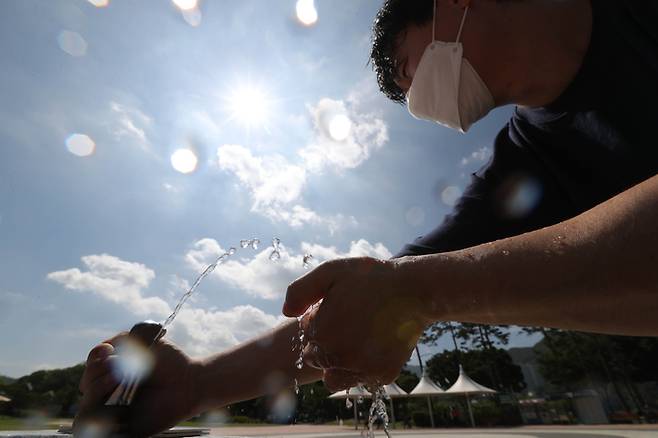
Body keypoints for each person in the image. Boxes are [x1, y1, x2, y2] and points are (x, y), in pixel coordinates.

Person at [76, 0, 658, 436]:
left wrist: (424, 291)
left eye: (411, 67)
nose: (425, 103)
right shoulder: (519, 167)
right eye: (412, 100)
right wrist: (198, 385)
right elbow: (371, 299)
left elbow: (413, 288)